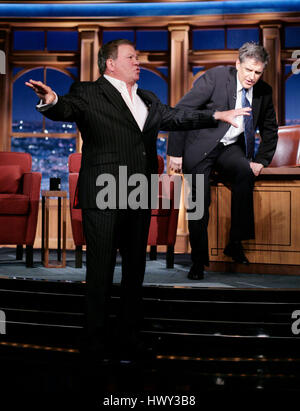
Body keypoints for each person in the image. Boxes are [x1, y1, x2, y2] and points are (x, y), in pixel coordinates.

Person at [26, 39, 250, 360]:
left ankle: (129, 337)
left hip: (138, 191)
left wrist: (219, 115)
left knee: (135, 272)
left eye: (139, 57)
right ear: (110, 64)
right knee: (100, 272)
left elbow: (177, 117)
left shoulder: (148, 98)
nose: (138, 62)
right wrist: (51, 101)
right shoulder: (88, 92)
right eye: (131, 57)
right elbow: (65, 108)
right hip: (104, 192)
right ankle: (94, 342)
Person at [168, 41, 278, 281]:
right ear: (237, 64)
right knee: (200, 202)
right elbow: (181, 111)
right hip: (200, 146)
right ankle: (198, 260)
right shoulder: (215, 78)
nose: (252, 77)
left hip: (230, 148)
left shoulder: (264, 92)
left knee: (245, 172)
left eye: (258, 72)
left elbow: (270, 129)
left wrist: (261, 159)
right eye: (248, 70)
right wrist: (175, 152)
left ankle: (235, 243)